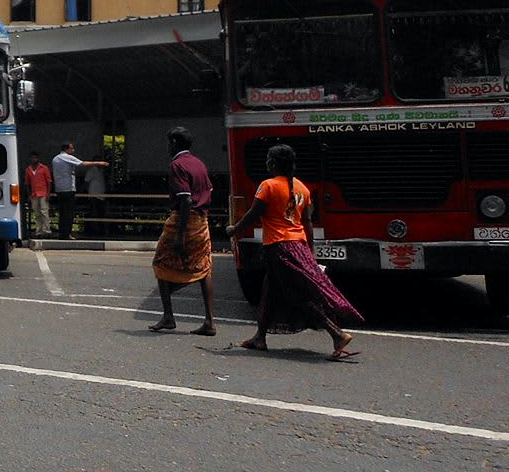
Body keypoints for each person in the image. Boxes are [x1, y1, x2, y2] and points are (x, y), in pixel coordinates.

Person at [225, 143, 362, 360]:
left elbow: (253, 214)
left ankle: (337, 333)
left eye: (269, 160)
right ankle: (260, 337)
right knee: (269, 289)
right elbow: (307, 222)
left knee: (298, 294)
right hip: (297, 245)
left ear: (274, 163)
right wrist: (310, 249)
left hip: (279, 246)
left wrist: (234, 229)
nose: (267, 163)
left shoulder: (268, 186)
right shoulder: (302, 188)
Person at [149, 127, 216, 335]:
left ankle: (168, 315)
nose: (168, 147)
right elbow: (209, 190)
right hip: (202, 220)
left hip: (183, 219)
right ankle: (210, 321)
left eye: (170, 143)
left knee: (160, 263)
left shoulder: (177, 165)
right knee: (204, 267)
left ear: (175, 143)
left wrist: (180, 233)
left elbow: (185, 198)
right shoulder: (199, 163)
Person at [51, 142, 108, 240]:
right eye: (72, 149)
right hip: (68, 188)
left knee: (62, 212)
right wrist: (99, 163)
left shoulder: (55, 159)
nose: (73, 151)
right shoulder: (66, 157)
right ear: (67, 149)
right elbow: (83, 163)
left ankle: (62, 233)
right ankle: (66, 234)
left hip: (59, 188)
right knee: (69, 213)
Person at [22, 152, 53, 238]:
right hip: (34, 193)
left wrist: (48, 193)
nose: (33, 159)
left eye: (35, 158)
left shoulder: (44, 168)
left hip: (43, 192)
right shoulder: (28, 170)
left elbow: (49, 181)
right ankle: (39, 230)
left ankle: (47, 229)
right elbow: (27, 183)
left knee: (44, 211)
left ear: (38, 158)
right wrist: (29, 194)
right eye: (32, 158)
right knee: (37, 213)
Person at [81, 150, 109, 235]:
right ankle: (92, 230)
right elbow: (86, 181)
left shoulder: (101, 171)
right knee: (94, 213)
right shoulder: (92, 170)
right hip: (94, 195)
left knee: (101, 213)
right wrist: (88, 193)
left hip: (101, 195)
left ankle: (100, 230)